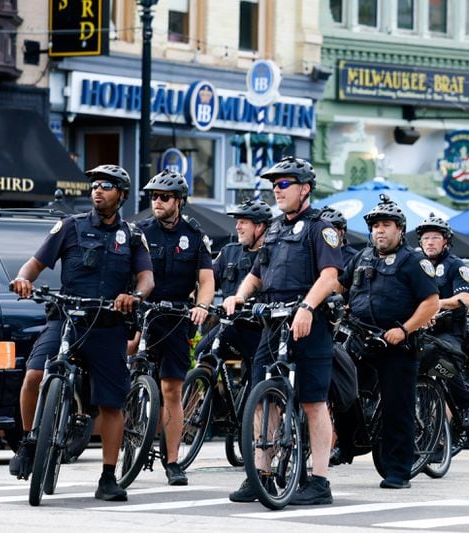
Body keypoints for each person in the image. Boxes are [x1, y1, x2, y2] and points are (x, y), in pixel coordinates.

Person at [9, 164, 154, 501]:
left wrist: (134, 296)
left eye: (106, 185)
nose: (97, 190)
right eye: (94, 185)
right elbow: (34, 264)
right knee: (33, 375)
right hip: (67, 319)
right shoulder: (69, 227)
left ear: (121, 194)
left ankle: (107, 478)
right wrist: (23, 278)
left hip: (107, 325)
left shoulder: (132, 236)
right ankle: (30, 441)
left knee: (112, 404)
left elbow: (146, 278)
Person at [223, 156, 343, 505]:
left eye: (284, 183)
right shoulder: (273, 229)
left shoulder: (321, 228)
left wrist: (307, 307)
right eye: (274, 184)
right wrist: (238, 296)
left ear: (305, 189)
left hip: (309, 322)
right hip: (273, 323)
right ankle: (260, 473)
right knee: (263, 399)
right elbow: (257, 274)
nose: (277, 189)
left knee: (313, 402)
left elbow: (330, 276)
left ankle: (319, 482)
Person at [336, 194, 439, 489]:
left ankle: (397, 471)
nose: (379, 230)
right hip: (358, 337)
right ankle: (349, 442)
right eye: (375, 225)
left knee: (397, 407)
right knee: (339, 389)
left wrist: (404, 330)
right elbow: (340, 285)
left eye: (386, 225)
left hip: (396, 342)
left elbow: (431, 303)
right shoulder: (361, 256)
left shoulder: (414, 261)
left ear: (399, 229)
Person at [135, 170, 215, 486]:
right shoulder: (139, 232)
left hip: (178, 316)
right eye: (153, 196)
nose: (157, 201)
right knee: (126, 357)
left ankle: (172, 461)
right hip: (143, 312)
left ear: (179, 201)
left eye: (164, 197)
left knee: (171, 389)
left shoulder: (196, 236)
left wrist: (202, 306)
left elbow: (207, 281)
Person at [193, 200, 273, 377]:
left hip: (259, 329)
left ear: (259, 226)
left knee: (256, 378)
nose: (237, 227)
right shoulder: (229, 252)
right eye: (237, 222)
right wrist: (193, 292)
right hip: (230, 324)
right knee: (203, 353)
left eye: (243, 222)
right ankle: (213, 400)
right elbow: (207, 280)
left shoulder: (274, 253)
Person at [415, 213, 469, 424]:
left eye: (435, 237)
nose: (429, 242)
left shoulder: (455, 265)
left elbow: (465, 298)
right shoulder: (415, 263)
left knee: (442, 362)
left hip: (450, 331)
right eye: (425, 238)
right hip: (420, 330)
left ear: (446, 241)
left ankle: (468, 404)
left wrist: (436, 305)